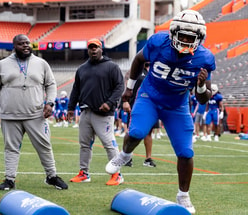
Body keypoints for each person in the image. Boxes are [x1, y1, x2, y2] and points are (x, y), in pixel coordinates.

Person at [106, 10, 215, 214]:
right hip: (151, 96)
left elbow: (203, 98)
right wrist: (129, 88)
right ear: (173, 32)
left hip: (177, 105)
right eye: (181, 35)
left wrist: (200, 86)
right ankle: (124, 155)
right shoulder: (158, 42)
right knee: (137, 132)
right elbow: (139, 60)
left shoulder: (205, 58)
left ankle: (183, 195)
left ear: (199, 39)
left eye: (190, 38)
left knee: (186, 152)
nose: (184, 40)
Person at [0, 34, 68, 190]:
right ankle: (9, 179)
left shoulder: (41, 63)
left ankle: (52, 176)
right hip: (9, 115)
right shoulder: (2, 64)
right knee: (11, 148)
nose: (26, 46)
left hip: (35, 114)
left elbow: (51, 85)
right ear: (14, 46)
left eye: (28, 43)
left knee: (44, 146)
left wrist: (50, 103)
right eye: (21, 44)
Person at [67, 38, 125, 186]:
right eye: (90, 48)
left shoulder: (111, 67)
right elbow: (76, 90)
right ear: (88, 50)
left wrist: (109, 103)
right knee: (84, 144)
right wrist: (70, 108)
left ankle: (117, 174)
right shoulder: (82, 69)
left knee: (109, 144)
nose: (93, 50)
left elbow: (119, 87)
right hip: (85, 112)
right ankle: (84, 173)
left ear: (101, 49)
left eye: (96, 47)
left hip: (103, 114)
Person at [123, 62, 157, 167]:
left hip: (151, 107)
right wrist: (126, 102)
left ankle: (148, 159)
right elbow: (127, 87)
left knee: (149, 133)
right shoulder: (134, 72)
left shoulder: (153, 72)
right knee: (131, 132)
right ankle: (126, 157)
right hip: (135, 105)